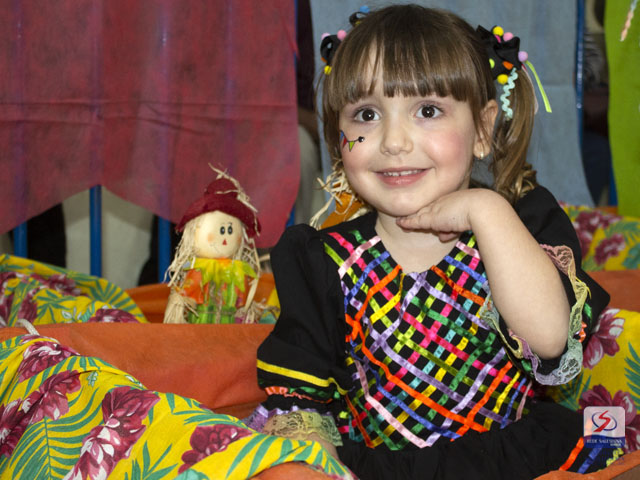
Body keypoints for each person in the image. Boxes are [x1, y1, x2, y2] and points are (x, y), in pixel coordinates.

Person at [248, 5, 619, 480]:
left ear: (482, 129)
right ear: (338, 137)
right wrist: (311, 457)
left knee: (613, 449)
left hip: (514, 461)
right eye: (366, 114)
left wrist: (486, 211)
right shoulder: (322, 259)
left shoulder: (523, 224)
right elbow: (300, 396)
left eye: (427, 111)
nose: (394, 141)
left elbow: (550, 339)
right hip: (374, 468)